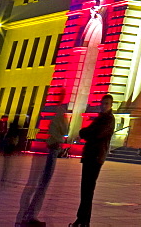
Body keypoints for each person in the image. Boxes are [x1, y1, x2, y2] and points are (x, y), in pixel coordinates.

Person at [17, 92, 69, 226]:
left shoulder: (51, 111)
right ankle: (29, 217)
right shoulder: (59, 113)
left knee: (36, 184)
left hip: (43, 148)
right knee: (42, 185)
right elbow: (64, 131)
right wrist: (65, 119)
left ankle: (27, 216)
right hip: (51, 149)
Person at [70, 93, 115, 227]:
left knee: (88, 189)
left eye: (107, 103)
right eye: (103, 103)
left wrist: (86, 133)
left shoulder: (108, 119)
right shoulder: (101, 118)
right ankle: (81, 218)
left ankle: (84, 220)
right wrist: (87, 133)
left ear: (111, 105)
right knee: (85, 189)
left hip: (96, 157)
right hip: (90, 156)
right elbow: (89, 132)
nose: (104, 105)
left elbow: (96, 134)